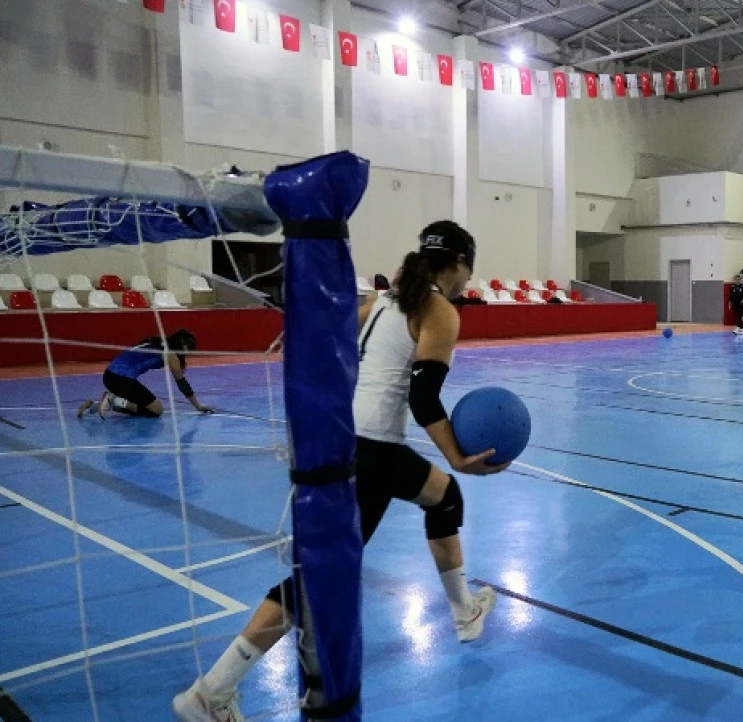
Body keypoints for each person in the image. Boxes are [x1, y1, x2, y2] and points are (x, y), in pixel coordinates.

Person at [172, 221, 508, 722]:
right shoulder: (438, 309)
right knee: (313, 583)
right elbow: (422, 397)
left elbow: (323, 346)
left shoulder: (380, 303)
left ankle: (465, 612)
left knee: (444, 497)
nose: (466, 282)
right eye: (467, 271)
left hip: (353, 444)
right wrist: (458, 454)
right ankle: (210, 691)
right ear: (459, 264)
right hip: (368, 455)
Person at [76, 329, 212, 418]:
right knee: (156, 411)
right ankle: (113, 399)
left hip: (109, 376)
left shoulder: (158, 342)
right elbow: (181, 382)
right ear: (182, 343)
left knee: (142, 406)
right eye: (189, 348)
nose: (189, 353)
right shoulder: (171, 354)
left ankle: (94, 406)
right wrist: (197, 405)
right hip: (122, 379)